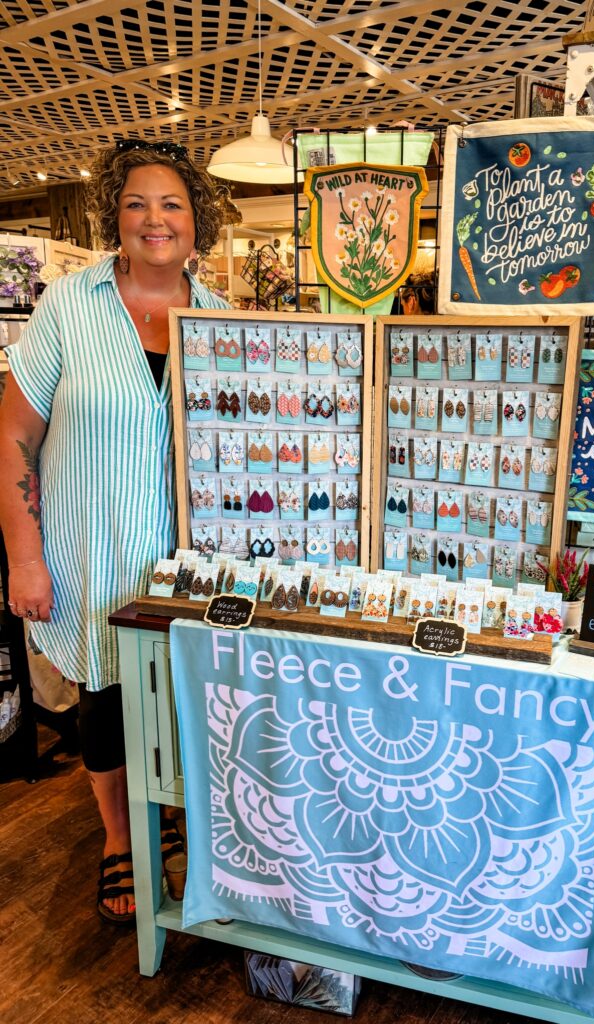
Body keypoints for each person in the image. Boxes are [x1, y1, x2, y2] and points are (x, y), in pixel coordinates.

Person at [0, 139, 229, 924]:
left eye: (172, 204)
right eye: (136, 203)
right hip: (92, 553)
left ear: (199, 221)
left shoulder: (224, 319)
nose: (154, 219)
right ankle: (119, 837)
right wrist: (23, 556)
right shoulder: (69, 305)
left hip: (193, 568)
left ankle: (171, 810)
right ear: (114, 216)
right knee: (105, 698)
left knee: (187, 699)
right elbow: (15, 437)